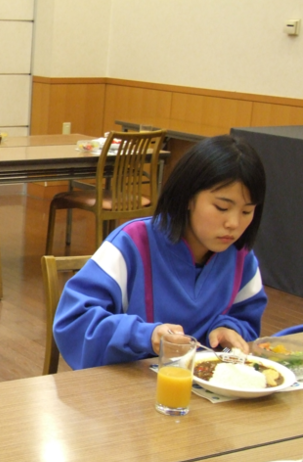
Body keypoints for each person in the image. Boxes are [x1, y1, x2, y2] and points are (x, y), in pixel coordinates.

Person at [53, 135, 267, 370]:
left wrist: (229, 329)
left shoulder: (241, 257)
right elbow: (74, 322)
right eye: (222, 207)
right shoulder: (132, 244)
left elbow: (246, 320)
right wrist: (145, 335)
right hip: (128, 383)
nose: (233, 224)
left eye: (247, 212)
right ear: (188, 197)